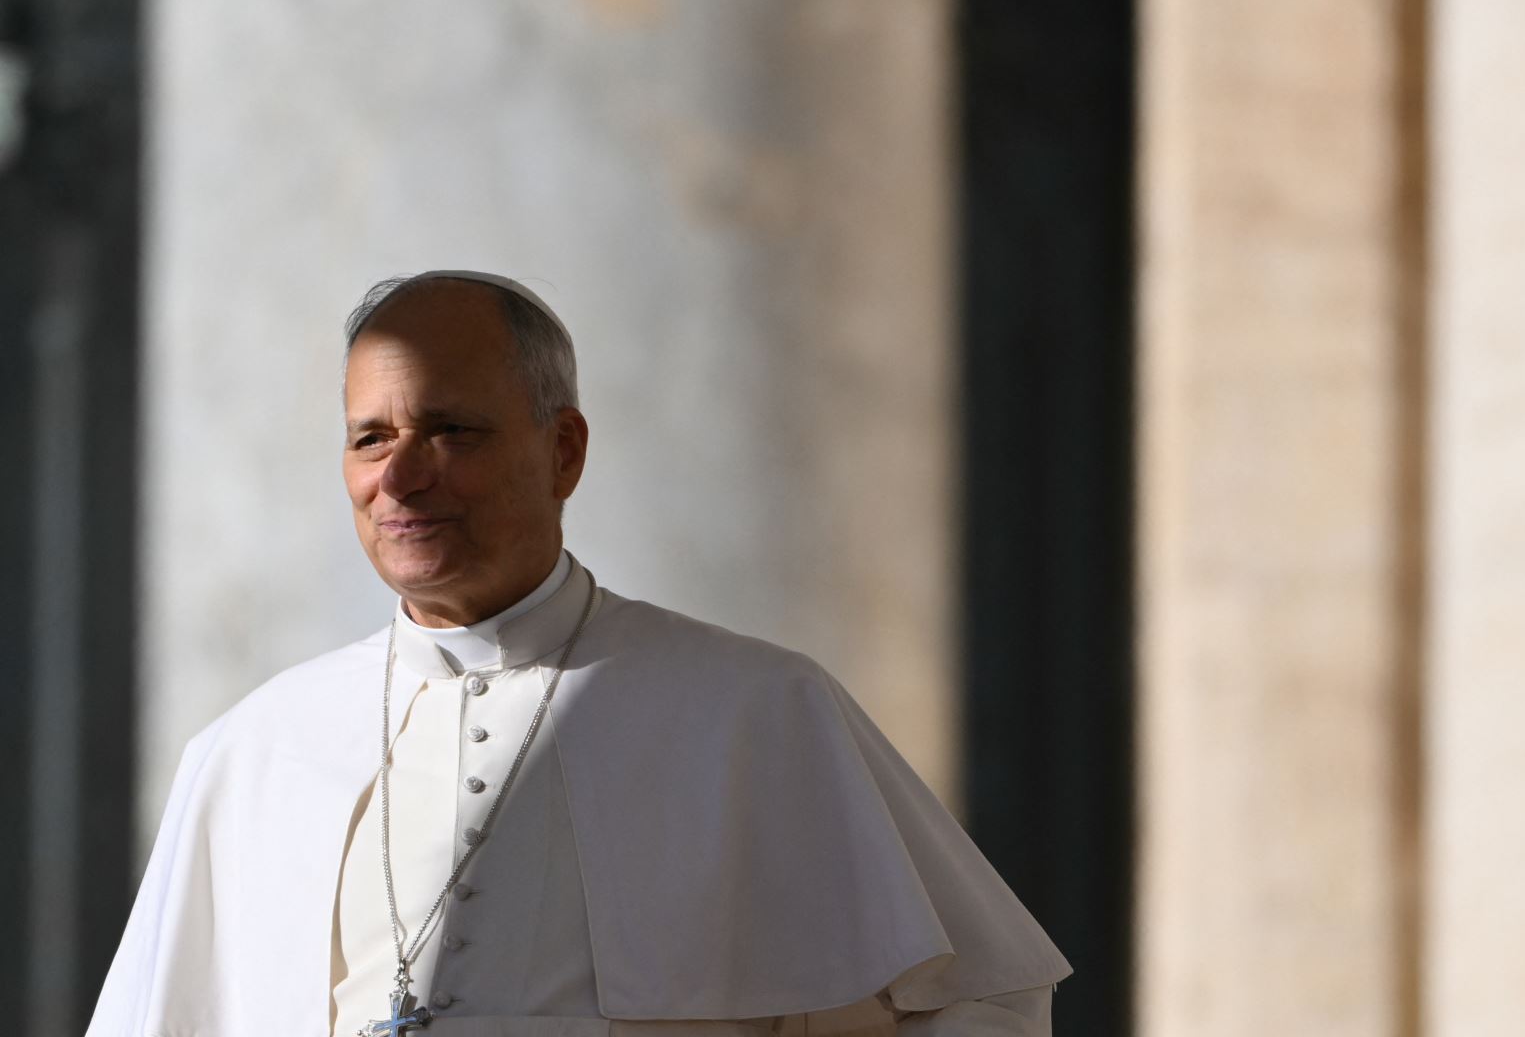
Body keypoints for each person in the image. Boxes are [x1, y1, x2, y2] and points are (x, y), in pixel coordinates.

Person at [87, 271, 1070, 1037]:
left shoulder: (758, 712)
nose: (401, 476)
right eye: (370, 438)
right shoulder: (256, 750)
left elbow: (980, 1002)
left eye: (451, 430)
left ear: (564, 451)